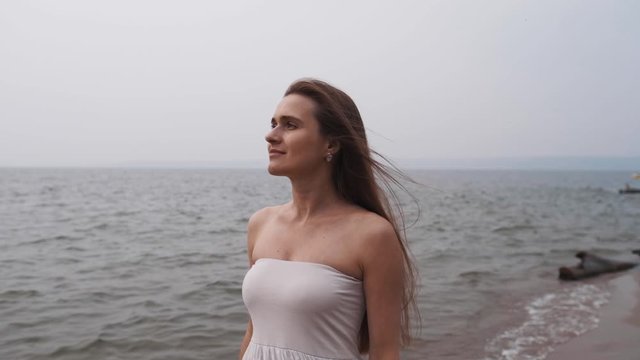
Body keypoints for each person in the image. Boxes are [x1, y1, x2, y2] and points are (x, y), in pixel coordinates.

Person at [239, 78, 418, 360]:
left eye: (290, 125)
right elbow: (253, 332)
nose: (271, 135)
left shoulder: (372, 235)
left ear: (330, 144)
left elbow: (384, 352)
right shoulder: (260, 224)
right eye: (273, 123)